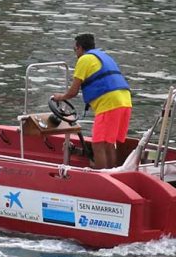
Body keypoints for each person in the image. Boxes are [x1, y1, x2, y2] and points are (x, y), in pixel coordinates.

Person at [52, 33, 132, 169]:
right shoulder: (103, 56)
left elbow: (73, 92)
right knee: (108, 143)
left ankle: (103, 178)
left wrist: (59, 97)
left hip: (109, 104)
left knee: (98, 144)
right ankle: (113, 174)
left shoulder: (84, 59)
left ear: (80, 48)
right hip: (125, 101)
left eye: (74, 49)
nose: (75, 53)